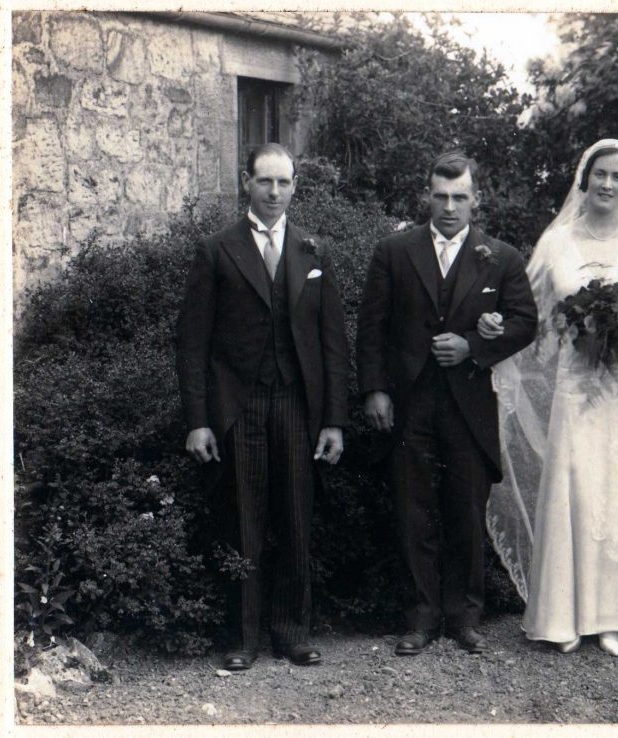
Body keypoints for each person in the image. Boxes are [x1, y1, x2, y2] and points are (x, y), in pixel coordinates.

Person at [484, 139, 618, 657]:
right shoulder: (555, 244)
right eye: (598, 174)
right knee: (581, 491)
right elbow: (527, 314)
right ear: (584, 179)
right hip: (579, 389)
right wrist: (496, 327)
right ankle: (573, 613)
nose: (606, 184)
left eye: (616, 177)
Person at [356, 151, 538, 656]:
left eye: (460, 197)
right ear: (426, 196)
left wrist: (474, 349)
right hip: (410, 400)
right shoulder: (394, 251)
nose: (450, 206)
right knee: (412, 505)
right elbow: (370, 326)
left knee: (466, 505)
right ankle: (419, 616)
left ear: (475, 200)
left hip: (469, 401)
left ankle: (464, 616)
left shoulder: (499, 257)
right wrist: (374, 390)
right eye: (441, 196)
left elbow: (525, 321)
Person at [176, 143, 349, 671]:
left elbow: (333, 344)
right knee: (243, 518)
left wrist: (335, 421)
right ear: (246, 182)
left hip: (297, 403)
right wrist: (198, 421)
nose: (274, 192)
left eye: (284, 182)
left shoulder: (312, 251)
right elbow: (191, 343)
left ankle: (293, 632)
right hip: (240, 404)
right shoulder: (217, 250)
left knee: (296, 514)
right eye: (265, 182)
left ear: (296, 186)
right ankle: (242, 637)